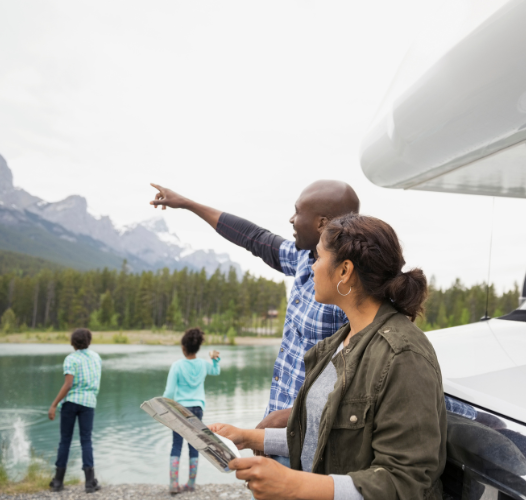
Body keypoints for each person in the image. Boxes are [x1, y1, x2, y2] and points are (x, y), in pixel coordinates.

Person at [209, 213, 448, 500]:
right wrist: (246, 437)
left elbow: (404, 482)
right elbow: (319, 437)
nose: (311, 268)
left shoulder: (404, 356)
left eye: (318, 258)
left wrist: (294, 485)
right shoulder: (337, 343)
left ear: (344, 271)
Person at [149, 181, 359, 446]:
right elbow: (253, 237)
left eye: (297, 212)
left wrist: (292, 415)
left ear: (322, 223)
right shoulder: (303, 259)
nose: (291, 219)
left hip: (312, 438)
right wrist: (188, 204)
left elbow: (358, 378)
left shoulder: (352, 286)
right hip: (276, 426)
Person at [163, 328, 221, 494]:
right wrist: (215, 359)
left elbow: (168, 392)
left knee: (176, 444)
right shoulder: (203, 364)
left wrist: (164, 407)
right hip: (197, 409)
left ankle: (174, 484)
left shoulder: (177, 366)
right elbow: (216, 371)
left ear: (183, 348)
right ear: (197, 348)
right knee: (194, 445)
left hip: (180, 409)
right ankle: (191, 484)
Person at [48, 328, 102, 493]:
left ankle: (58, 482)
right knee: (86, 440)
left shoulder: (71, 359)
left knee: (65, 440)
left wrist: (54, 404)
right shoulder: (96, 357)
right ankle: (90, 482)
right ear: (89, 341)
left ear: (73, 343)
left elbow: (68, 384)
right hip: (88, 403)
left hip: (71, 403)